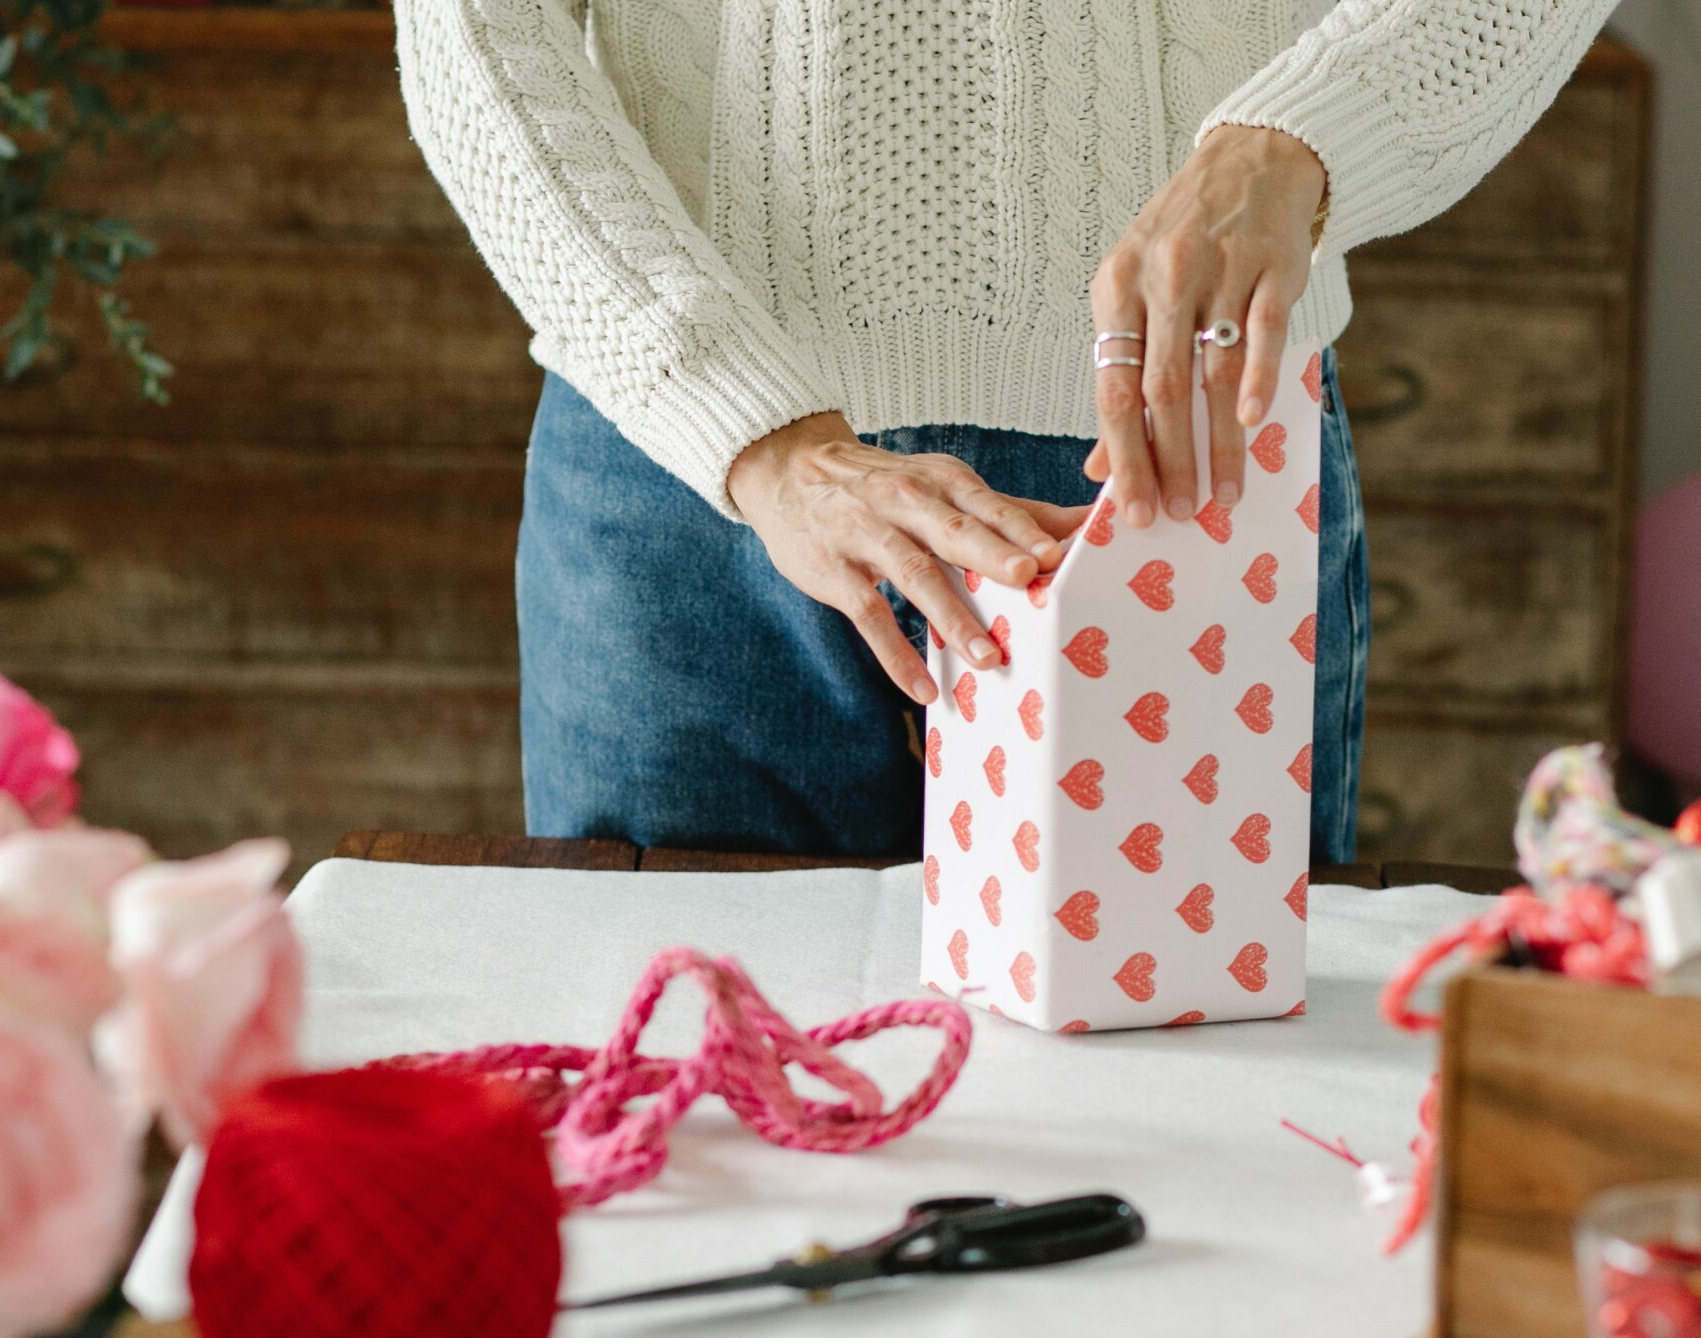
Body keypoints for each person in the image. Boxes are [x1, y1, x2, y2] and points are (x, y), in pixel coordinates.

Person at [394, 0, 1621, 861]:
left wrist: (1300, 136)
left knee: (1190, 1146)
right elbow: (470, 26)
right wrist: (751, 436)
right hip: (691, 478)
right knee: (689, 1144)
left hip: (1169, 457)